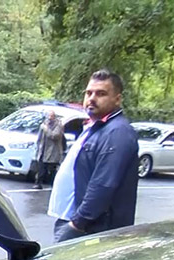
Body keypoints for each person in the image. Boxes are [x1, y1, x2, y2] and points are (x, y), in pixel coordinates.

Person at [49, 69, 139, 242]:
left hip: (90, 230)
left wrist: (77, 224)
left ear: (117, 99)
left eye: (101, 94)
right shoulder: (98, 127)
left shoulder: (117, 132)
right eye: (89, 93)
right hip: (76, 221)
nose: (91, 98)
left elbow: (103, 184)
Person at [33, 111, 66, 189]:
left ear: (54, 117)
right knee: (41, 168)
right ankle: (38, 183)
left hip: (53, 151)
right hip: (43, 150)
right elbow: (40, 138)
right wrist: (38, 148)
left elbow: (54, 135)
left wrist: (46, 128)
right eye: (48, 116)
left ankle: (53, 185)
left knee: (51, 169)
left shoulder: (58, 125)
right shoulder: (44, 124)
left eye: (51, 116)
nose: (49, 118)